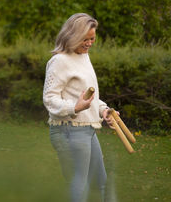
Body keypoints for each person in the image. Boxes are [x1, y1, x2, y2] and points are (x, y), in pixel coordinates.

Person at [43, 13, 116, 202]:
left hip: (88, 129)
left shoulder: (84, 56)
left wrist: (104, 110)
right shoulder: (59, 61)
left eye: (92, 38)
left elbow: (88, 97)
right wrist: (74, 107)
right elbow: (49, 99)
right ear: (72, 36)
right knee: (80, 182)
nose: (90, 43)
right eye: (85, 39)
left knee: (100, 180)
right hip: (68, 129)